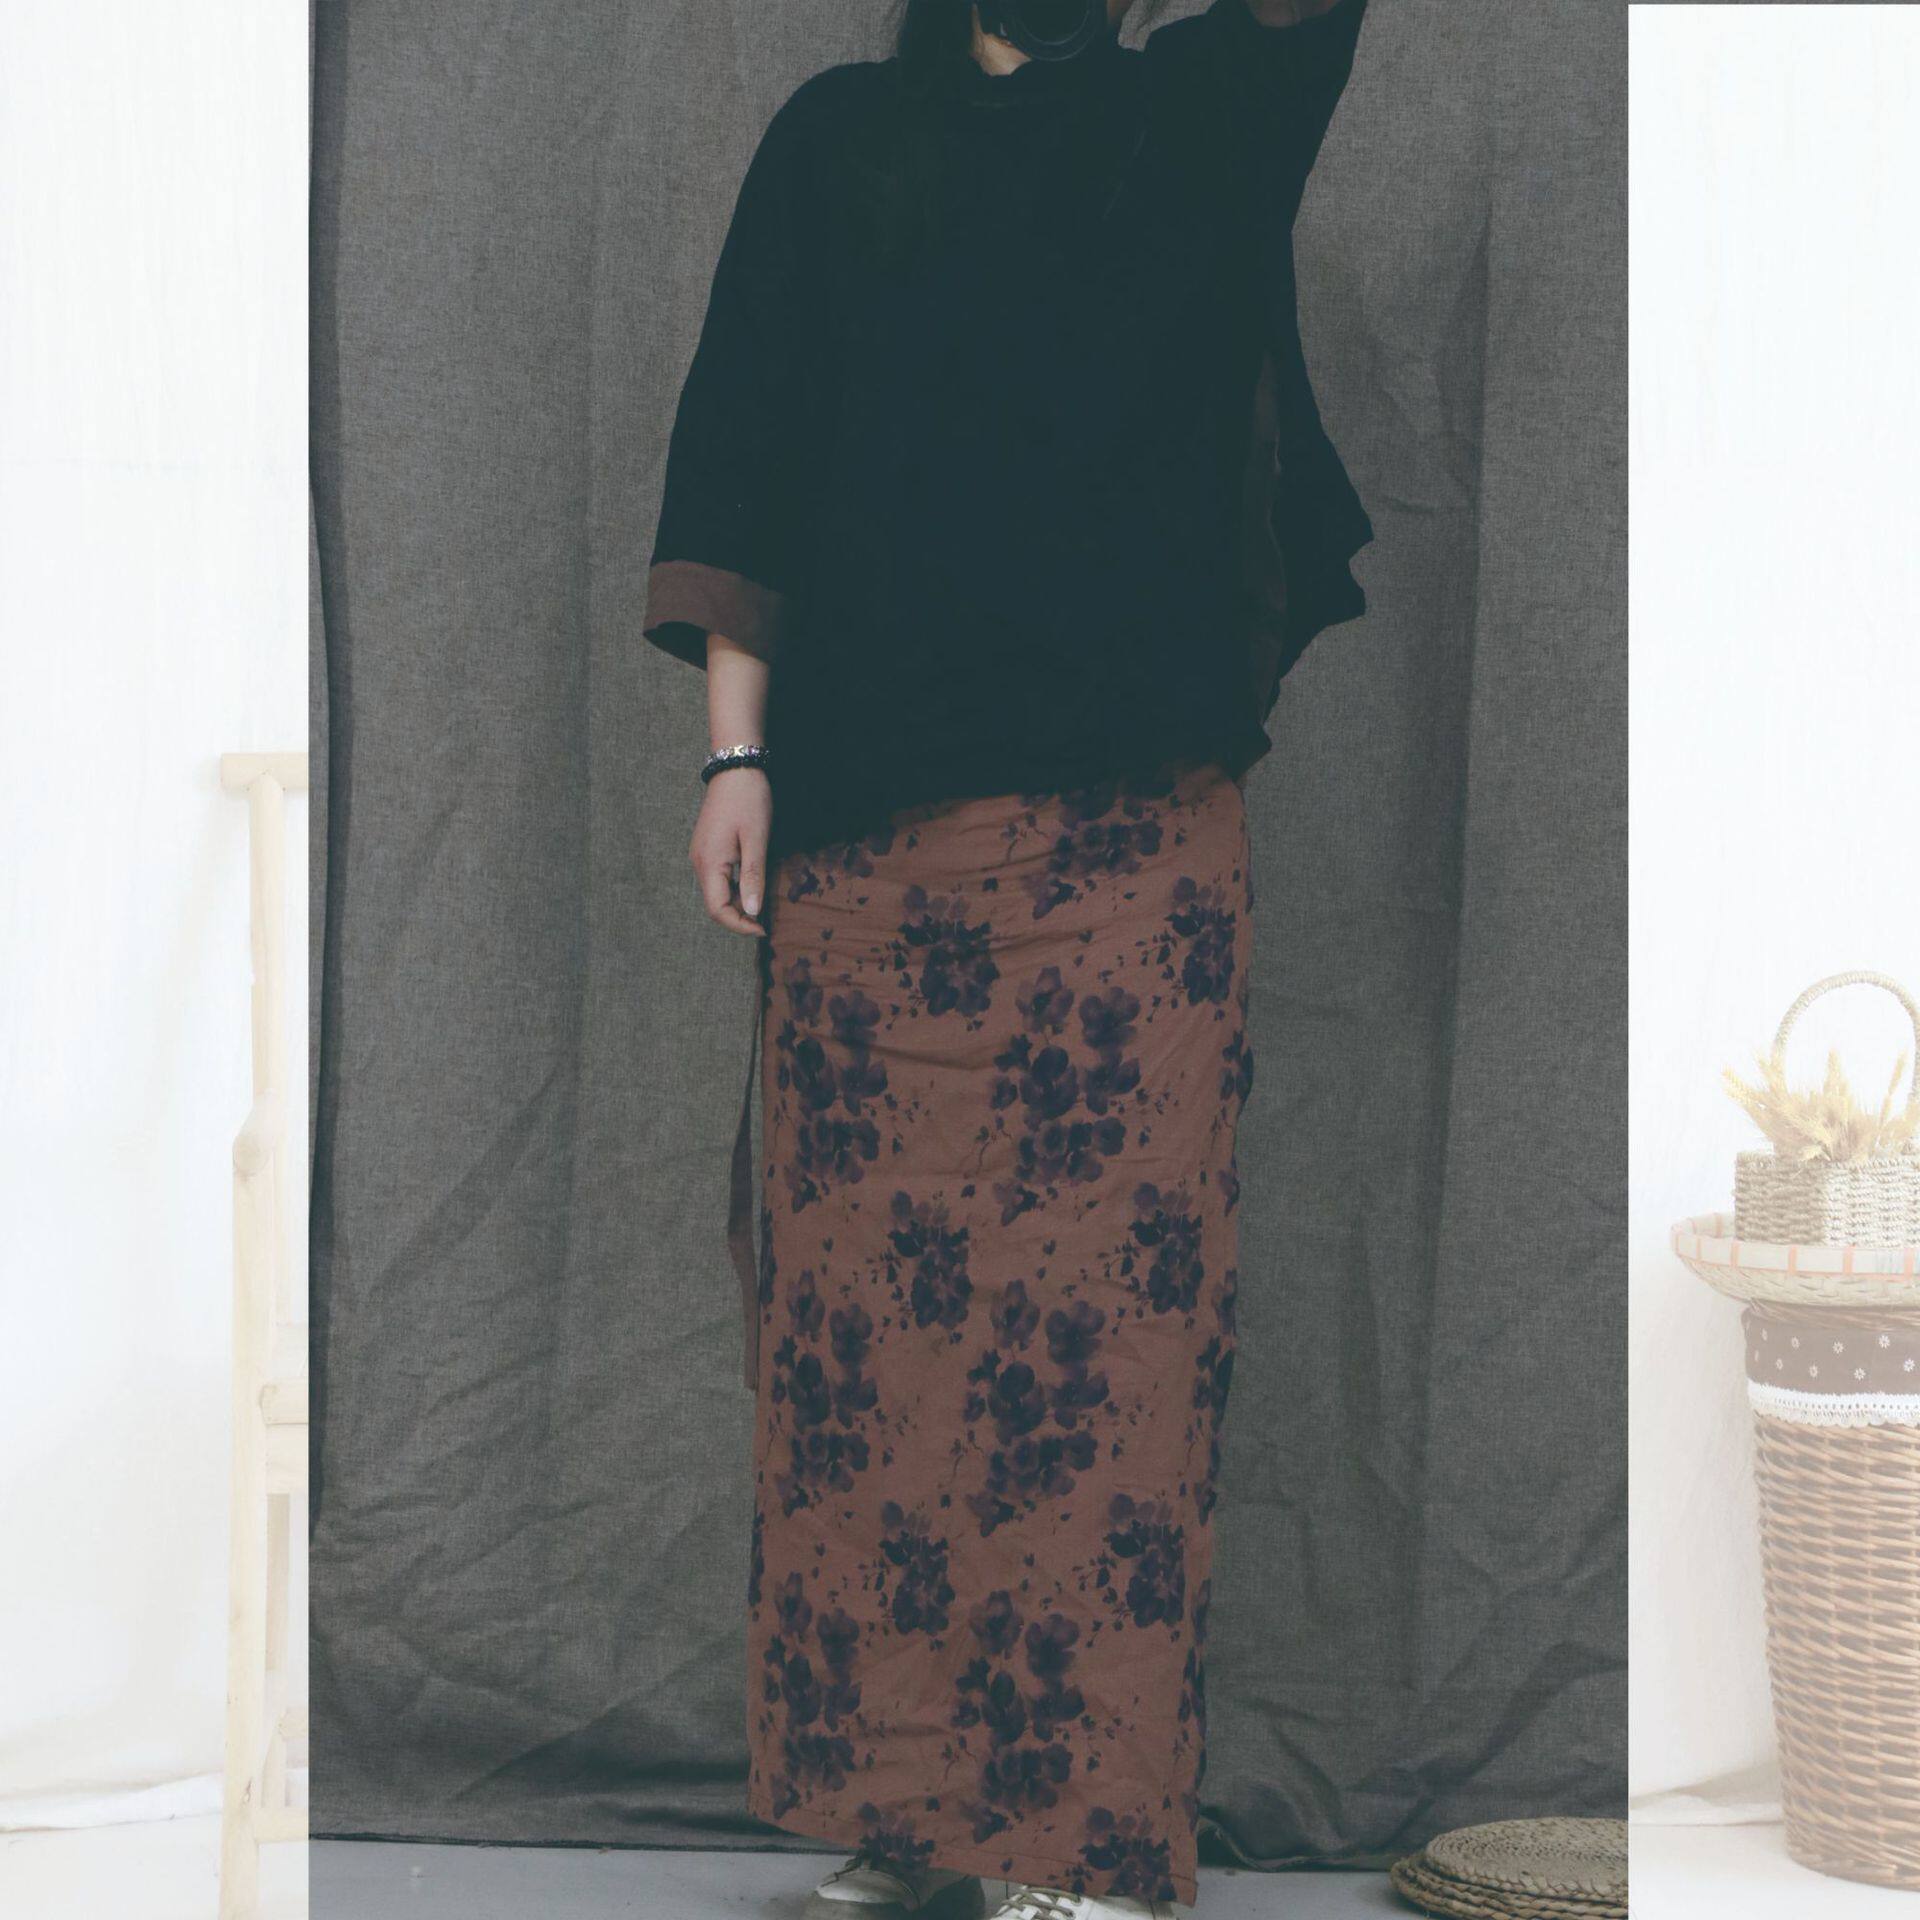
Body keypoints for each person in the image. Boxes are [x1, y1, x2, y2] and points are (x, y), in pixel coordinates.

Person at [644, 3, 1370, 1914]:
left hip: (1131, 858)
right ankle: (919, 1823)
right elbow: (750, 449)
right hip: (869, 853)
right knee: (868, 1358)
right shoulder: (835, 142)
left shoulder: (1203, 116)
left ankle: (1083, 1843)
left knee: (1101, 1354)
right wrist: (733, 756)